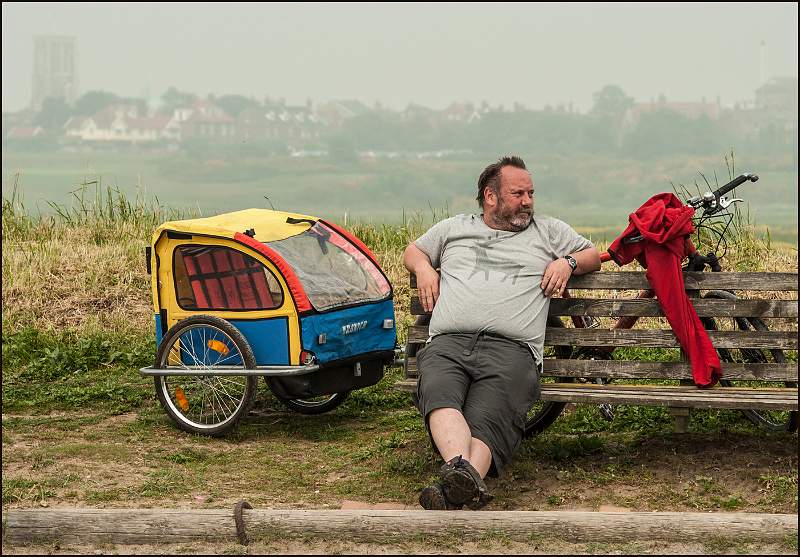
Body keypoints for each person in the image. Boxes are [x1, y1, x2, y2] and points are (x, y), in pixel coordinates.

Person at [402, 155, 601, 510]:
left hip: (511, 351)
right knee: (440, 394)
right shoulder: (454, 228)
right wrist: (423, 268)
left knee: (488, 420)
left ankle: (454, 479)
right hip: (448, 343)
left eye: (530, 193)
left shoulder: (549, 231)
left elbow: (592, 255)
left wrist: (566, 262)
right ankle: (463, 482)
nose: (527, 201)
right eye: (517, 193)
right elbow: (413, 250)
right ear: (490, 196)